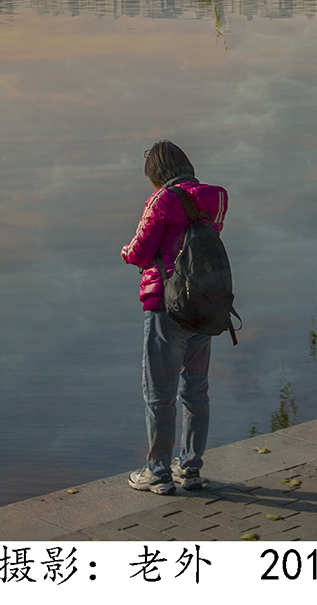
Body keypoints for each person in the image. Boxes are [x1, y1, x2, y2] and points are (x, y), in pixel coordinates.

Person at [120, 140, 228, 495]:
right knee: (197, 390)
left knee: (159, 393)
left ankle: (159, 472)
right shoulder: (216, 197)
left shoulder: (162, 200)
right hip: (205, 303)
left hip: (166, 305)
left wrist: (124, 252)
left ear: (157, 174)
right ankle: (192, 469)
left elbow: (139, 252)